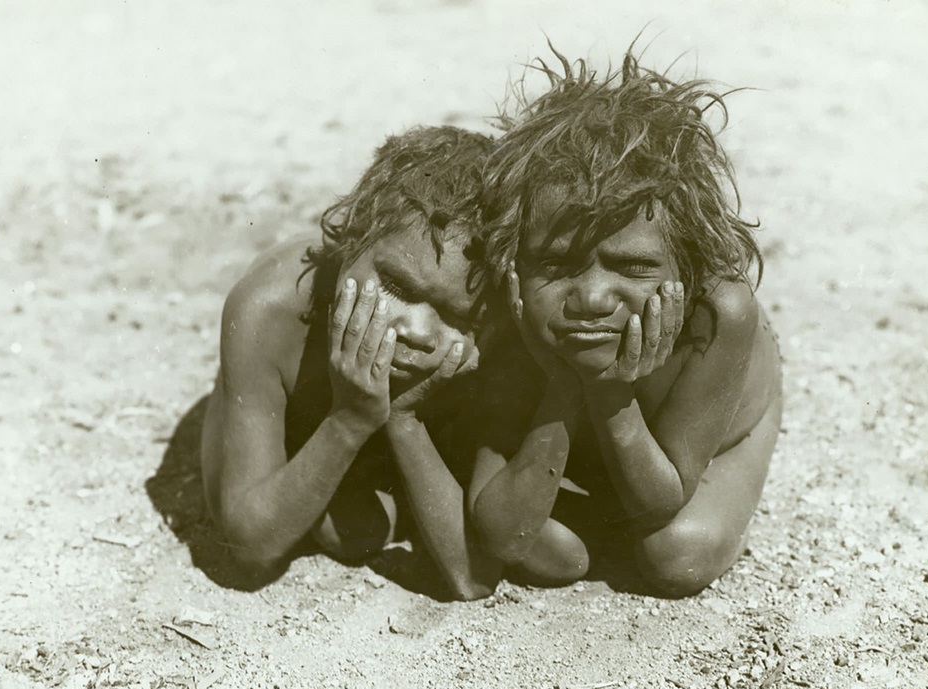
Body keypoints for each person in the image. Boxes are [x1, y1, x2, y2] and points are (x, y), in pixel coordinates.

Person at [468, 51, 783, 597]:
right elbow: (501, 531)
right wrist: (566, 387)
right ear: (516, 260)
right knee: (541, 547)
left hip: (708, 439)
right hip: (597, 433)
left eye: (634, 267)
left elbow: (662, 500)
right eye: (558, 264)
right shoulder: (515, 300)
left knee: (675, 554)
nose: (590, 297)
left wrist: (608, 389)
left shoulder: (718, 315)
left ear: (691, 264)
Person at [201, 126, 500, 599]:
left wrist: (403, 420)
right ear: (352, 239)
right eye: (398, 288)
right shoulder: (271, 311)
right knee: (348, 528)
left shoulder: (491, 338)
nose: (419, 331)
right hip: (312, 417)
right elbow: (249, 544)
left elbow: (472, 577)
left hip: (393, 432)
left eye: (459, 316)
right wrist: (349, 420)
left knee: (352, 528)